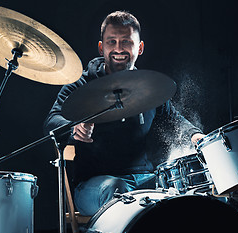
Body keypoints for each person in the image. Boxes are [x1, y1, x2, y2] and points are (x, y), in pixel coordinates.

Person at [43, 10, 205, 216]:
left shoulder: (150, 88)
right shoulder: (81, 84)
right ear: (101, 47)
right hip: (95, 186)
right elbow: (51, 121)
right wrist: (74, 127)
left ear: (140, 47)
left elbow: (174, 120)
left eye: (126, 42)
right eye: (112, 42)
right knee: (117, 189)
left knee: (184, 194)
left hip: (145, 181)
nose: (118, 48)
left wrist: (195, 135)